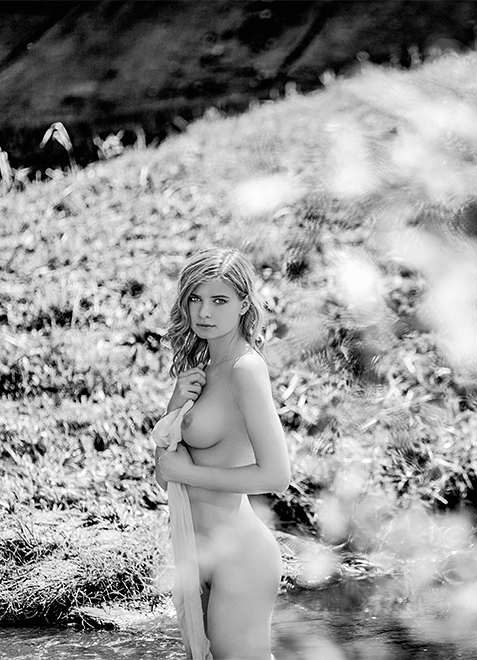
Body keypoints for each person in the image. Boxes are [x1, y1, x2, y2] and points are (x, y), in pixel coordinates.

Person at [154, 247, 290, 660]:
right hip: (199, 553)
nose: (204, 312)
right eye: (195, 298)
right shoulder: (203, 372)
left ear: (244, 304)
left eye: (219, 300)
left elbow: (277, 476)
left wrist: (188, 473)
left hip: (240, 556)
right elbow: (165, 474)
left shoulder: (245, 369)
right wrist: (174, 404)